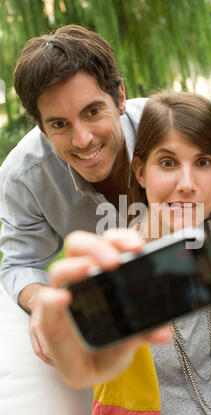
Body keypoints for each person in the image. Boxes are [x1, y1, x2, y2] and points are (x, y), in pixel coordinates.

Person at [43, 91, 211, 415]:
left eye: (204, 162)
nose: (187, 183)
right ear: (141, 171)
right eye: (168, 163)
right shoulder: (116, 262)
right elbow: (83, 350)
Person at [0, 24, 147, 364]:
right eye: (59, 124)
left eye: (92, 112)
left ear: (120, 96)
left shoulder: (170, 130)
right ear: (40, 127)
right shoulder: (23, 177)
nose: (82, 140)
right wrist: (41, 301)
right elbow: (20, 263)